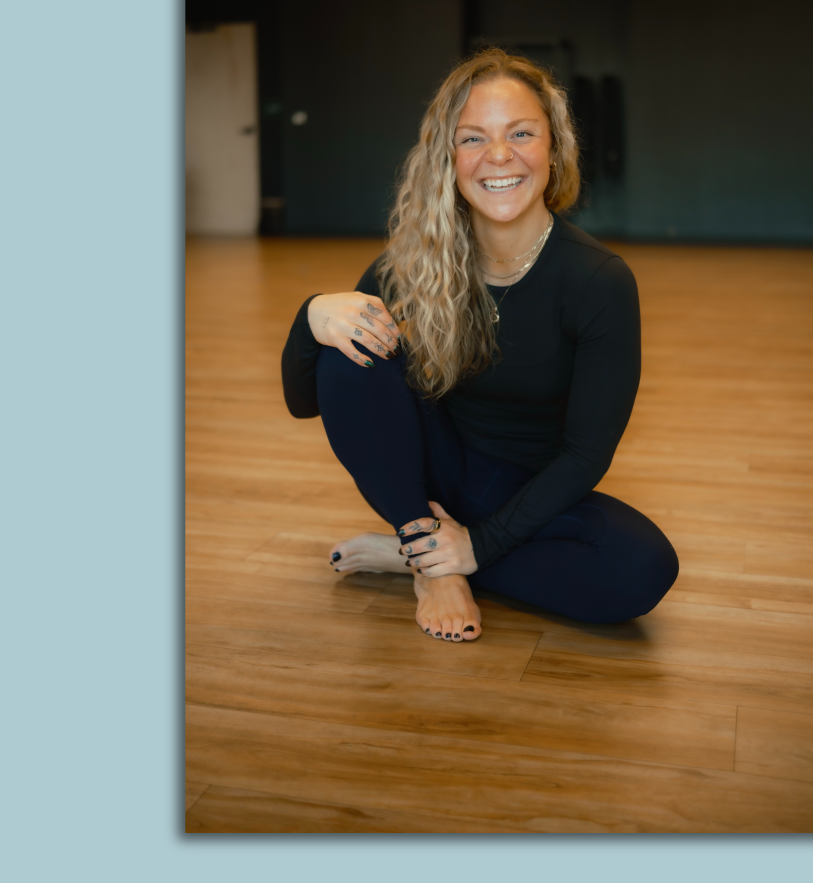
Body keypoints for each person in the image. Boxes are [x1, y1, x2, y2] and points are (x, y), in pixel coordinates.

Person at [280, 48, 679, 643]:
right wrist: (312, 316)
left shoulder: (599, 281)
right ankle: (426, 545)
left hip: (529, 491)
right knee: (351, 344)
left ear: (554, 146)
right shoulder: (415, 259)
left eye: (521, 132)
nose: (499, 156)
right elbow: (307, 399)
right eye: (473, 138)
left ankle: (419, 555)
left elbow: (586, 454)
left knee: (642, 570)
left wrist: (478, 546)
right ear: (448, 154)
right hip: (434, 471)